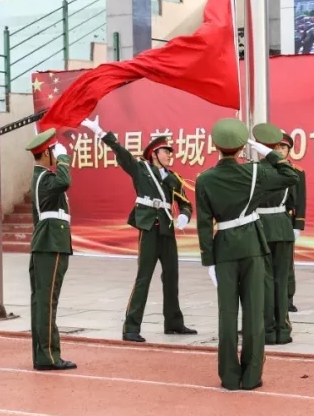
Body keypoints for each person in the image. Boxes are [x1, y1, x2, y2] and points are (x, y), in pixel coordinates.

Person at [195, 117, 298, 391]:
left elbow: (204, 223)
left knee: (227, 314)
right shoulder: (254, 173)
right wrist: (267, 152)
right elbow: (292, 176)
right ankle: (251, 376)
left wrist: (208, 260)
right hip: (253, 247)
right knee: (254, 312)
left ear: (215, 145)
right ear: (242, 147)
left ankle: (229, 377)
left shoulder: (204, 179)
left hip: (224, 249)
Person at [81, 117, 196, 342]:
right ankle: (131, 327)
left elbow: (185, 202)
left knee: (172, 276)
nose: (170, 155)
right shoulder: (141, 168)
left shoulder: (173, 178)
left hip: (167, 228)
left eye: (170, 152)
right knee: (143, 277)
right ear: (154, 153)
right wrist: (101, 132)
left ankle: (174, 322)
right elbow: (122, 153)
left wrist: (184, 215)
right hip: (149, 226)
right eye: (166, 151)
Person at [25, 127, 77, 372]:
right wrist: (64, 159)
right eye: (54, 151)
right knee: (47, 302)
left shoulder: (41, 178)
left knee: (42, 301)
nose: (57, 156)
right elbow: (65, 180)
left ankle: (42, 354)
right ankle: (48, 356)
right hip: (50, 243)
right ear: (47, 152)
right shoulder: (45, 179)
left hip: (47, 242)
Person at [252, 123, 296, 346]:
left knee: (265, 281)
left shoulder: (254, 170)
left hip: (260, 226)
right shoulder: (285, 169)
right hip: (282, 225)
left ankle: (268, 330)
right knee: (281, 280)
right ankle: (283, 329)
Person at [283, 131, 306, 313]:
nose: (280, 150)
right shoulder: (264, 169)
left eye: (283, 147)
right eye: (276, 147)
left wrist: (298, 224)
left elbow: (301, 200)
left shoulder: (297, 172)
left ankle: (288, 298)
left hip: (287, 220)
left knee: (286, 263)